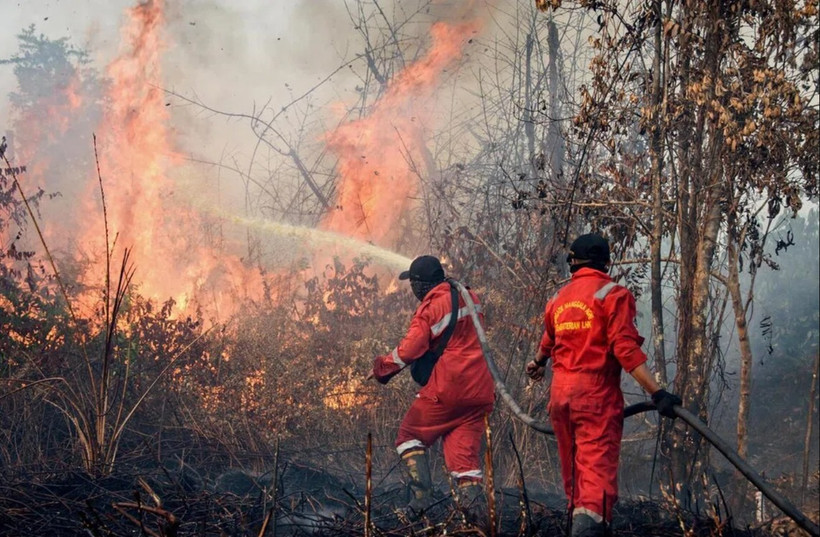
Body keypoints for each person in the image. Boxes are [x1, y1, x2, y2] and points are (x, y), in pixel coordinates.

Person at [526, 233, 682, 537]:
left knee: (574, 475)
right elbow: (626, 351)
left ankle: (579, 525)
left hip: (560, 397)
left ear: (572, 262)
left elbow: (549, 339)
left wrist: (538, 363)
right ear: (606, 262)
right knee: (595, 477)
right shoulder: (613, 295)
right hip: (595, 397)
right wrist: (657, 393)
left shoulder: (558, 299)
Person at [368, 255, 495, 522]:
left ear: (420, 285)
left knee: (409, 437)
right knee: (465, 465)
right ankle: (477, 521)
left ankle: (420, 500)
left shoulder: (432, 307)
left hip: (448, 390)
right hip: (480, 392)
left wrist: (382, 368)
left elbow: (411, 348)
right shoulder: (469, 296)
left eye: (412, 283)